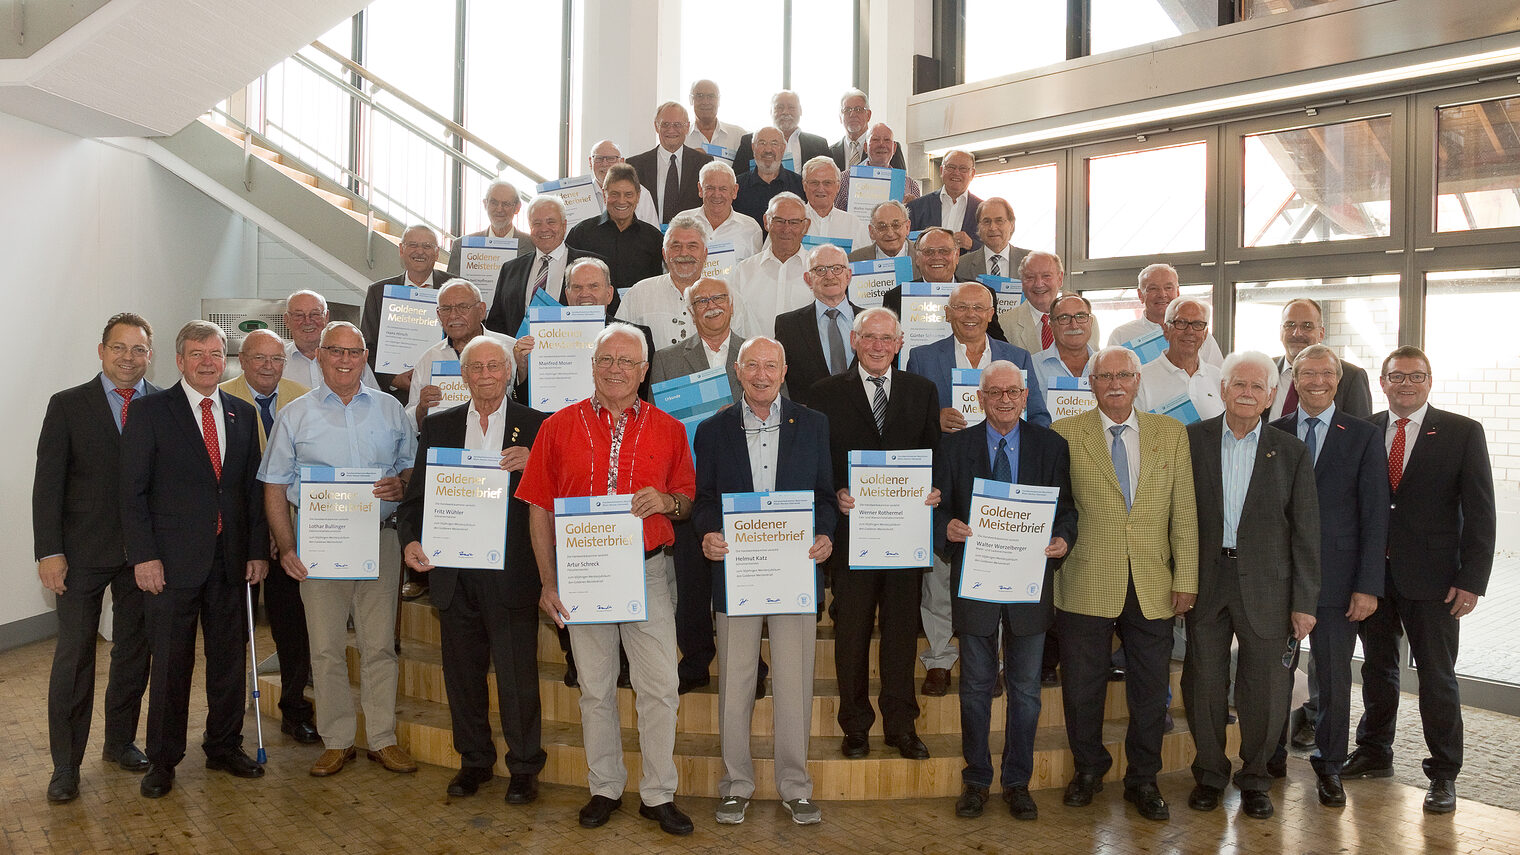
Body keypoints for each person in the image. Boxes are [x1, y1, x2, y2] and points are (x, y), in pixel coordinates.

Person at [517, 323, 696, 836]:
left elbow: (686, 501)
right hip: (582, 578)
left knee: (659, 687)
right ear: (592, 365)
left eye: (627, 361)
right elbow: (538, 510)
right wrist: (548, 583)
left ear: (644, 371)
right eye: (606, 359)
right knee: (595, 688)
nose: (615, 369)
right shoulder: (556, 427)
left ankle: (659, 793)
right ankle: (605, 787)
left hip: (648, 574)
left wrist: (665, 501)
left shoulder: (670, 428)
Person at [259, 321, 419, 779]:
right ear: (321, 357)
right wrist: (287, 548)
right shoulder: (295, 415)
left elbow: (412, 472)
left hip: (380, 542)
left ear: (365, 356)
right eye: (336, 352)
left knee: (379, 646)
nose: (345, 360)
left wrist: (400, 484)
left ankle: (383, 739)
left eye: (354, 352)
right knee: (326, 648)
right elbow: (273, 486)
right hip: (319, 547)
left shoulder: (392, 411)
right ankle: (337, 740)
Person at [1342, 346, 1495, 815]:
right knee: (1377, 669)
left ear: (1429, 381)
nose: (1406, 385)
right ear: (1383, 382)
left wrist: (1472, 580)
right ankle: (1373, 751)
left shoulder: (1462, 432)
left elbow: (1481, 512)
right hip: (1374, 577)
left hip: (1436, 580)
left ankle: (1444, 773)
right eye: (1397, 377)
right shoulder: (1363, 429)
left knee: (1437, 677)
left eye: (1416, 377)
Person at [121, 321, 269, 798]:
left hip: (230, 564)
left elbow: (250, 491)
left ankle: (224, 745)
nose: (208, 361)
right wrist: (143, 556)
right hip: (170, 566)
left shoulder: (241, 414)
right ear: (180, 360)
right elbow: (132, 493)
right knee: (170, 665)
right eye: (197, 353)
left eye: (215, 353)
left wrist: (255, 551)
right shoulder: (149, 412)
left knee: (228, 661)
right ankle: (163, 760)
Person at [1050, 345, 1198, 822]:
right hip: (1086, 578)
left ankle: (1143, 778)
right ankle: (1088, 769)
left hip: (1155, 581)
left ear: (1138, 381)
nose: (1115, 384)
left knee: (1151, 690)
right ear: (1090, 384)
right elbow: (1055, 506)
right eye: (1105, 376)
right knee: (1082, 687)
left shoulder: (1171, 435)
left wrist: (1187, 578)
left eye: (1124, 376)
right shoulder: (1063, 434)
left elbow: (1185, 515)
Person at [692, 336, 837, 826]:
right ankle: (736, 785)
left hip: (796, 571)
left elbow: (824, 496)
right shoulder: (713, 431)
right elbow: (705, 498)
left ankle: (795, 786)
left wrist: (824, 535)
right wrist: (708, 533)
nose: (760, 374)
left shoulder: (814, 425)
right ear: (737, 371)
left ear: (784, 369)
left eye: (769, 365)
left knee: (794, 685)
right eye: (751, 365)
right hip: (738, 573)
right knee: (736, 684)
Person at [397, 336, 547, 803]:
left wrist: (535, 463)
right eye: (475, 367)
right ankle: (474, 761)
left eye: (494, 366)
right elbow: (415, 500)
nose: (485, 375)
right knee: (461, 676)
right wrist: (411, 541)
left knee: (516, 677)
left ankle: (523, 767)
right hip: (453, 573)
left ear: (509, 373)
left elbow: (557, 495)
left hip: (511, 572)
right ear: (463, 376)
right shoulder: (439, 426)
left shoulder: (536, 426)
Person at [1183, 350, 1320, 821]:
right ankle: (1209, 774)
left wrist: (1304, 603)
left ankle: (1257, 777)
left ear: (1270, 397)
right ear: (1222, 390)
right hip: (1206, 579)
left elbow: (1306, 532)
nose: (1246, 393)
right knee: (1203, 680)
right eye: (1237, 384)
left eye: (1256, 387)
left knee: (1265, 687)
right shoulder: (1193, 441)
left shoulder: (1293, 452)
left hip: (1269, 586)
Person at [936, 360, 1076, 821]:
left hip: (1030, 584)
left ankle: (1018, 781)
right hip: (975, 585)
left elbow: (1068, 511)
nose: (1004, 401)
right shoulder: (954, 447)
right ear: (980, 399)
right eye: (994, 393)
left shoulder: (1051, 446)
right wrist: (948, 529)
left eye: (1013, 392)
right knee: (975, 688)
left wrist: (1063, 540)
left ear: (1024, 395)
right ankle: (976, 780)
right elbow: (936, 512)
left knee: (1026, 691)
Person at [34, 313, 158, 804]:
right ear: (102, 351)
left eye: (139, 349)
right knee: (75, 657)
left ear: (150, 353)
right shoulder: (67, 406)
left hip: (144, 556)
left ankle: (119, 741)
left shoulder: (165, 405)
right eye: (119, 348)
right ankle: (66, 765)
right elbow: (48, 486)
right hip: (81, 554)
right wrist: (50, 551)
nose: (129, 358)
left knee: (133, 651)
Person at [809, 308, 942, 760]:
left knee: (902, 634)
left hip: (905, 535)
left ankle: (901, 725)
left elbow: (934, 455)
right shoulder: (825, 394)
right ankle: (856, 726)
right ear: (854, 340)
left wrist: (934, 491)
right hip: (852, 536)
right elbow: (816, 462)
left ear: (900, 343)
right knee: (851, 632)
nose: (878, 346)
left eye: (887, 338)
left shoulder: (922, 391)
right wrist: (836, 491)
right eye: (870, 337)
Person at [907, 281, 1049, 696]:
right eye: (961, 307)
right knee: (941, 573)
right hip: (948, 481)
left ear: (992, 314)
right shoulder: (922, 356)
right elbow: (909, 422)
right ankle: (938, 658)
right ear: (948, 313)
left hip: (1004, 480)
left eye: (979, 308)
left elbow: (1038, 416)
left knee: (1001, 569)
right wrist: (934, 418)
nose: (970, 315)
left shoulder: (1016, 357)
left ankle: (998, 662)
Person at [1268, 343, 1389, 808]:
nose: (1316, 381)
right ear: (1292, 380)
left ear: (1338, 380)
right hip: (1281, 578)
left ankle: (1330, 765)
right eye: (1306, 374)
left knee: (1334, 678)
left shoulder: (1361, 435)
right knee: (1274, 673)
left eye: (1325, 374)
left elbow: (1376, 515)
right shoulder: (1272, 431)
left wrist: (1368, 586)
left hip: (1341, 583)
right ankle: (1270, 754)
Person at [650, 276, 749, 694]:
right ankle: (694, 661)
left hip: (743, 482)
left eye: (718, 298)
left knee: (743, 577)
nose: (711, 306)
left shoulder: (754, 354)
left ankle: (748, 665)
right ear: (690, 311)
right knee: (690, 580)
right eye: (701, 300)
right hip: (688, 484)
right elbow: (657, 422)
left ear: (731, 304)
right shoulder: (668, 359)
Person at [219, 329, 317, 745]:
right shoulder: (221, 400)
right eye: (259, 358)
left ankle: (295, 708)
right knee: (231, 631)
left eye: (276, 359)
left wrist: (282, 531)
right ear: (242, 361)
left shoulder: (303, 396)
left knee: (293, 627)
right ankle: (228, 723)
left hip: (290, 534)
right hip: (237, 538)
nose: (268, 367)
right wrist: (260, 532)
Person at [484, 195, 604, 339]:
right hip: (519, 358)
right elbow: (496, 325)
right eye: (537, 223)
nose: (544, 229)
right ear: (530, 227)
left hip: (575, 354)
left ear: (564, 225)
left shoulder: (593, 265)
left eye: (551, 222)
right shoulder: (510, 270)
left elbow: (607, 315)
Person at [406, 279, 516, 428]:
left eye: (462, 307)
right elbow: (410, 424)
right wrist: (422, 408)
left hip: (499, 444)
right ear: (438, 315)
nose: (453, 315)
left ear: (481, 310)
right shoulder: (428, 359)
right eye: (446, 309)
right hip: (447, 446)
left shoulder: (511, 349)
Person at [358, 224, 452, 397]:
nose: (420, 251)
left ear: (437, 252)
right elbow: (367, 347)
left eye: (427, 246)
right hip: (395, 396)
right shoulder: (378, 292)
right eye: (413, 245)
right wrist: (392, 379)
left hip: (445, 391)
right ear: (401, 249)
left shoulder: (456, 287)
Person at [881, 228, 1012, 344]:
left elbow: (998, 343)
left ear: (956, 256)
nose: (937, 257)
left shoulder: (982, 294)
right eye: (928, 252)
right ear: (917, 258)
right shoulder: (895, 298)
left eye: (944, 251)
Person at [773, 244, 861, 408]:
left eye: (837, 268)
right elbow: (778, 379)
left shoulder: (870, 322)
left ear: (848, 275)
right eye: (820, 270)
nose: (829, 275)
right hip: (810, 424)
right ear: (808, 279)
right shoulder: (788, 326)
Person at [615, 212, 712, 348]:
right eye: (675, 246)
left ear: (705, 253)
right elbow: (618, 344)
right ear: (664, 254)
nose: (684, 253)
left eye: (692, 246)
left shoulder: (725, 296)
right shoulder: (639, 293)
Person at [1268, 298, 1373, 420]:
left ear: (1321, 333)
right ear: (1280, 331)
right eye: (1290, 325)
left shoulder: (1351, 376)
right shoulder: (1264, 370)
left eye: (1307, 326)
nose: (1297, 333)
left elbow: (1360, 433)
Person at [566, 163, 665, 290]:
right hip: (593, 309)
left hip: (639, 309)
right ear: (604, 194)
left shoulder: (654, 238)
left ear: (638, 196)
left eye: (628, 194)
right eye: (614, 194)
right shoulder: (581, 233)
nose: (621, 201)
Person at [1107, 263, 1225, 366]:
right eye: (1153, 289)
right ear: (1140, 295)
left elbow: (1217, 379)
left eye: (1168, 288)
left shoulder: (1198, 335)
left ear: (1177, 292)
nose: (1162, 294)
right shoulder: (1121, 336)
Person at [730, 193, 813, 338]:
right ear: (766, 222)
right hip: (755, 358)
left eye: (794, 222)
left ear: (805, 226)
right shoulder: (744, 271)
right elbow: (734, 323)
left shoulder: (818, 272)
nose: (786, 229)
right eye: (779, 221)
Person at [625, 102, 714, 223]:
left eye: (677, 124)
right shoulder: (635, 165)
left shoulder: (704, 163)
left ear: (687, 127)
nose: (671, 130)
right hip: (647, 237)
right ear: (656, 127)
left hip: (690, 237)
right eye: (665, 124)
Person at [1136, 297, 1224, 419]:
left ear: (1205, 334)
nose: (1190, 331)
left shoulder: (1218, 378)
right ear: (1166, 330)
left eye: (1198, 324)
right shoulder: (1141, 379)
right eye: (1181, 323)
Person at [999, 251, 1100, 357]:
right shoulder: (1004, 324)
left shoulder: (1086, 321)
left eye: (1046, 276)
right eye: (1030, 277)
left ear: (1060, 278)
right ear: (1022, 282)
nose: (1038, 284)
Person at [283, 290, 379, 390]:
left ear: (326, 316)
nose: (307, 321)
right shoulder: (275, 362)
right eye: (299, 315)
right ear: (286, 319)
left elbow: (375, 400)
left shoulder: (352, 360)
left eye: (315, 314)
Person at [731, 90, 831, 178]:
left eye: (791, 107)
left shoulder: (819, 145)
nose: (785, 112)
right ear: (771, 111)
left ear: (800, 111)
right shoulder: (750, 141)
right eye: (779, 107)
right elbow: (737, 178)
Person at [445, 179, 532, 277]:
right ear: (485, 204)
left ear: (517, 207)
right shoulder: (461, 246)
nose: (499, 209)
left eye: (506, 204)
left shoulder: (532, 246)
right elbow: (451, 288)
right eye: (494, 203)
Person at [683, 160, 763, 261]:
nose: (716, 195)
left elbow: (754, 272)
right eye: (710, 188)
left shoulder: (751, 229)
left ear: (734, 191)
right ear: (700, 189)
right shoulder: (682, 222)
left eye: (723, 189)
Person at [907, 150, 982, 251]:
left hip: (970, 267)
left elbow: (994, 249)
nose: (956, 173)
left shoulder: (983, 210)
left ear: (972, 174)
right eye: (951, 167)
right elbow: (906, 246)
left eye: (963, 169)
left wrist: (972, 245)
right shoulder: (916, 207)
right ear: (941, 170)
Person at [834, 124, 920, 211]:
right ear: (865, 147)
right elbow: (835, 216)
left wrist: (913, 208)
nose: (881, 144)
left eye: (887, 140)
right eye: (875, 140)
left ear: (894, 148)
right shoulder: (845, 179)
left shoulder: (911, 185)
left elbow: (918, 221)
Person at [733, 126, 805, 228]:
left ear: (783, 148)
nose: (768, 149)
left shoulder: (799, 185)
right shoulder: (737, 185)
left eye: (774, 143)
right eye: (762, 143)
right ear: (753, 147)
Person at [1031, 292, 1098, 394]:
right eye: (1064, 318)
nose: (1074, 325)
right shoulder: (1032, 366)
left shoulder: (1106, 366)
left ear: (1091, 322)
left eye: (1081, 316)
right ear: (1051, 325)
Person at [800, 156, 870, 250]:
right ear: (804, 186)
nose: (821, 189)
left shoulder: (854, 225)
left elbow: (865, 261)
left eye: (827, 183)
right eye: (814, 183)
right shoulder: (791, 222)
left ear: (838, 186)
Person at [587, 139, 660, 228]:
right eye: (599, 158)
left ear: (621, 161)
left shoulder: (642, 194)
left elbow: (652, 234)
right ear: (590, 162)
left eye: (611, 159)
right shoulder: (578, 193)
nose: (605, 163)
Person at [830, 91, 906, 171]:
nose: (852, 114)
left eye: (858, 109)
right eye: (847, 110)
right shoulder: (829, 152)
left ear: (868, 115)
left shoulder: (888, 149)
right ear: (840, 117)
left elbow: (901, 181)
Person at [957, 198, 1028, 282]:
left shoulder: (1030, 261)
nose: (993, 228)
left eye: (999, 221)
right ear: (979, 227)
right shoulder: (961, 265)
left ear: (1011, 225)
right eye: (986, 221)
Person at [847, 199, 915, 265]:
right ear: (871, 232)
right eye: (882, 227)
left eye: (896, 225)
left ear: (907, 227)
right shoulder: (854, 260)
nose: (890, 233)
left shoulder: (923, 256)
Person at [685, 79, 745, 151]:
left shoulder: (738, 136)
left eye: (711, 96)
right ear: (691, 99)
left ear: (719, 100)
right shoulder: (682, 137)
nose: (705, 102)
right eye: (700, 96)